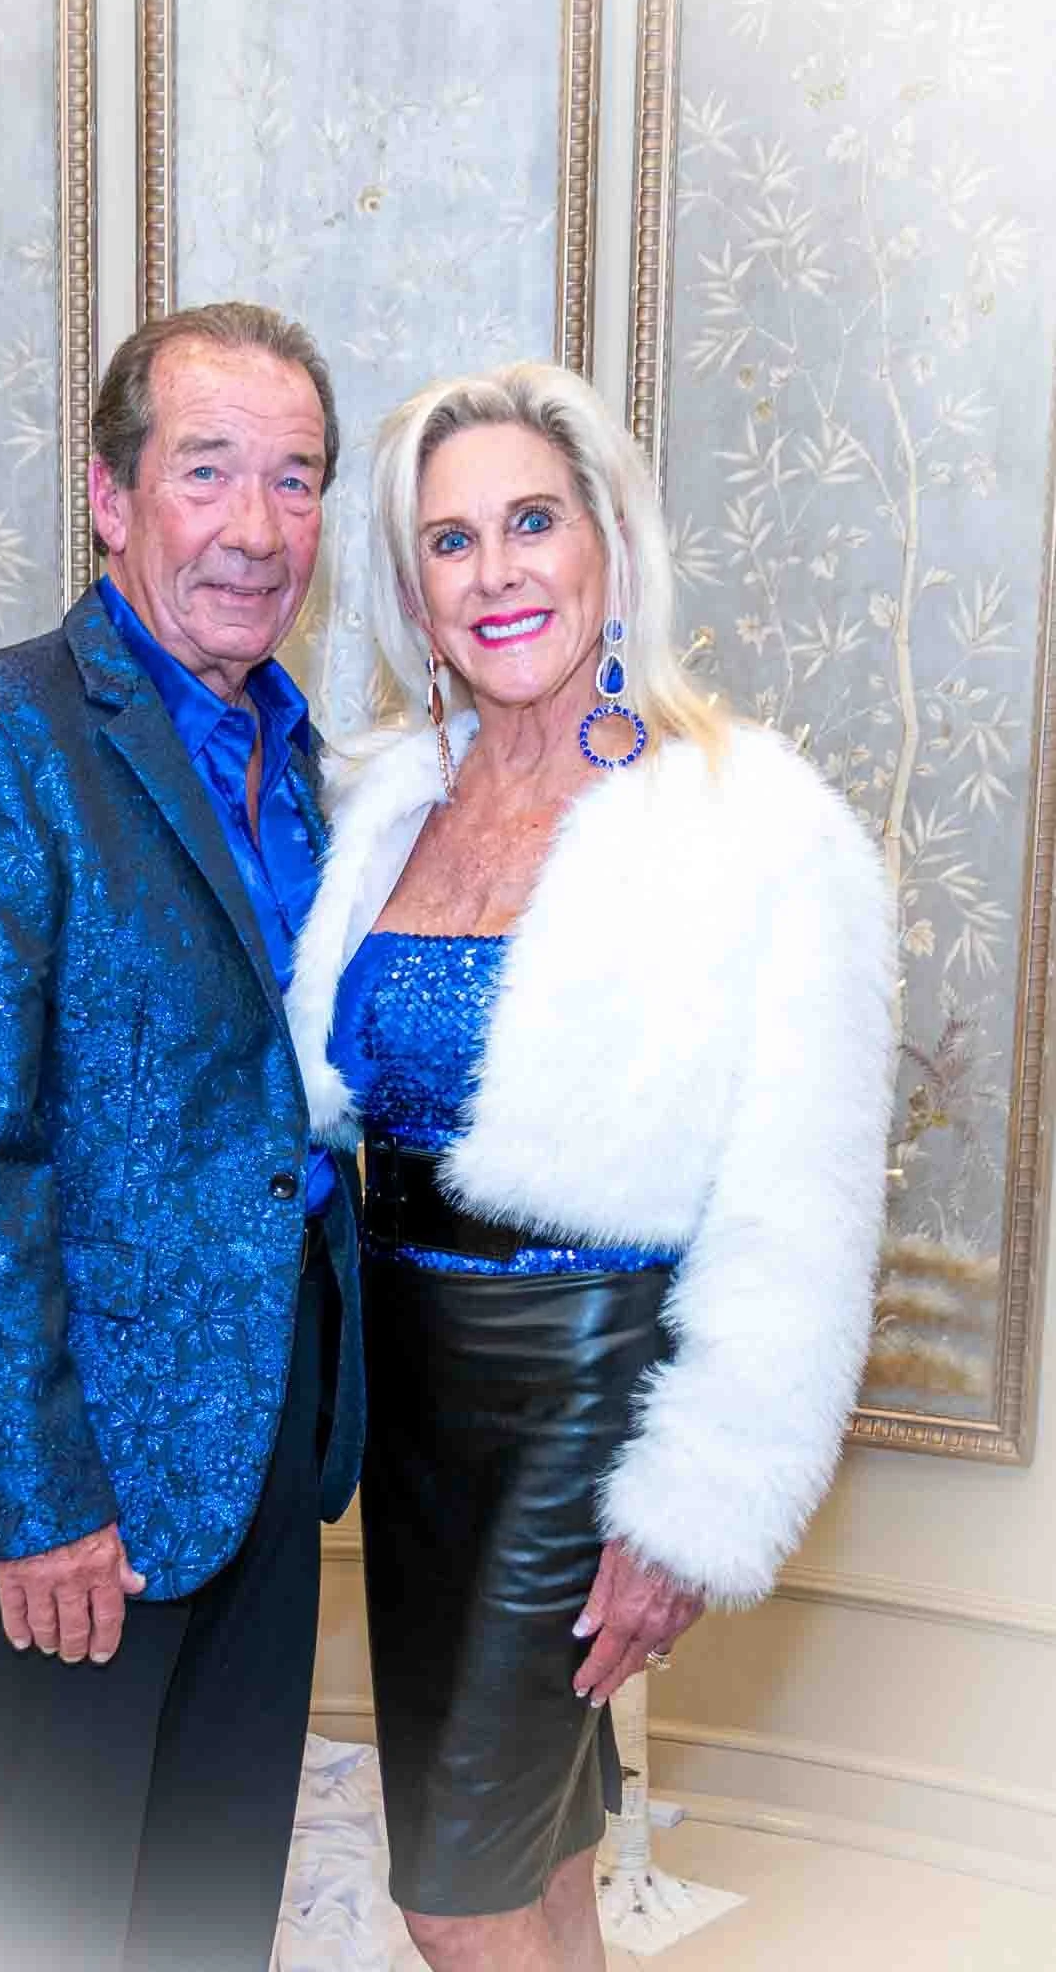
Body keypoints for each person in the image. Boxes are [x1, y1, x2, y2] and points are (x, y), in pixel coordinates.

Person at [286, 361, 894, 1972]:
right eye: (450, 541)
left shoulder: (756, 829)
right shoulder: (380, 803)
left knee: (453, 1894)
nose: (496, 574)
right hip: (409, 1398)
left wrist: (691, 1513)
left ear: (609, 543)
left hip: (585, 1391)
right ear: (410, 591)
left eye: (531, 522)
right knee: (541, 1860)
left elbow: (799, 1219)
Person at [0, 301, 365, 1972]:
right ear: (111, 495)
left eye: (295, 480)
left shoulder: (313, 772)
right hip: (85, 1479)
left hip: (275, 1439)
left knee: (211, 1921)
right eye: (207, 471)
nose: (257, 527)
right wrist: (40, 1500)